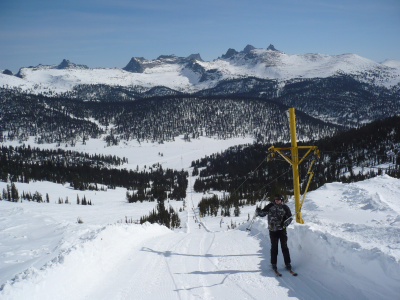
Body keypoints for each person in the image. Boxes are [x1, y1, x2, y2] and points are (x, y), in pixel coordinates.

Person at [256, 193, 293, 271]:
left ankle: (288, 263)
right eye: (276, 199)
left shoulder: (285, 207)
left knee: (284, 247)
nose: (277, 200)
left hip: (282, 230)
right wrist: (259, 211)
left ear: (281, 199)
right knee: (274, 247)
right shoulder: (270, 206)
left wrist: (285, 224)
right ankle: (273, 264)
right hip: (273, 230)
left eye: (278, 199)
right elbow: (263, 214)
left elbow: (290, 218)